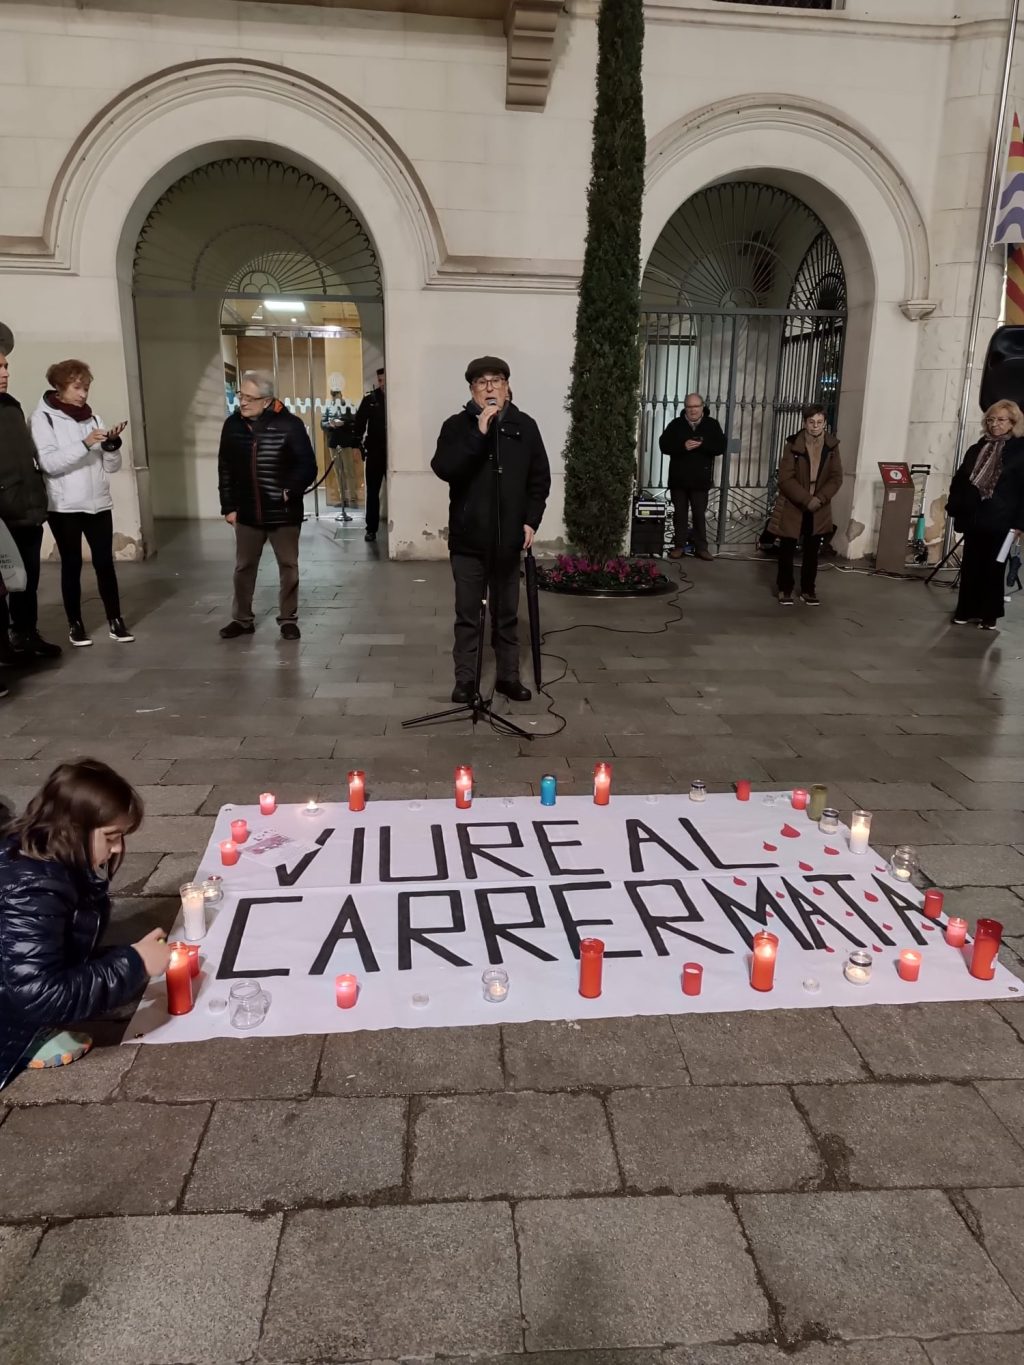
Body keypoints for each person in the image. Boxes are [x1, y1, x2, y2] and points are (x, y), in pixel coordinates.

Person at [0, 758, 171, 1090]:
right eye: (111, 837)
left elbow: (50, 948)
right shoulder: (34, 889)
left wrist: (123, 960)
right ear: (73, 829)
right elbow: (38, 994)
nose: (118, 847)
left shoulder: (54, 858)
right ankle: (30, 1041)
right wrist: (134, 963)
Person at [431, 356, 551, 703]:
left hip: (507, 540)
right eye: (481, 382)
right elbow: (445, 467)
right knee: (468, 615)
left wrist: (530, 520)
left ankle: (508, 677)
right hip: (468, 540)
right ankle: (465, 681)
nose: (489, 387)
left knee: (507, 614)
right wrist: (479, 434)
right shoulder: (457, 426)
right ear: (472, 390)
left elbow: (539, 479)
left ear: (507, 387)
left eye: (496, 380)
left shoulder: (524, 426)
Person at [30, 359, 133, 645]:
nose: (83, 394)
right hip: (64, 507)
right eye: (77, 388)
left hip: (98, 502)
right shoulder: (42, 419)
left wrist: (111, 446)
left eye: (86, 388)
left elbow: (111, 467)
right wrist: (85, 444)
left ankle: (116, 620)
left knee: (105, 563)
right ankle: (75, 624)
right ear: (59, 387)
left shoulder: (93, 418)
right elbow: (49, 463)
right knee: (72, 564)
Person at [217, 370, 317, 642]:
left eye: (250, 398)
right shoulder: (232, 426)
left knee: (288, 566)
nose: (243, 402)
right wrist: (229, 507)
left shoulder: (290, 425)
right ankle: (242, 620)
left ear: (267, 400)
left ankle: (288, 620)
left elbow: (307, 466)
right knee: (243, 568)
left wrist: (287, 492)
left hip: (283, 513)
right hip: (246, 512)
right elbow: (225, 468)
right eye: (241, 395)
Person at [0, 333, 61, 662]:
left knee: (27, 580)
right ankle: (3, 647)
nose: (5, 373)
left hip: (27, 509)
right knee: (2, 586)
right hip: (2, 516)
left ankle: (25, 633)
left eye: (6, 366)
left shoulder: (12, 406)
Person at [946, 400, 1024, 631]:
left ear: (1013, 422)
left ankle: (989, 614)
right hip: (975, 516)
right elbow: (960, 479)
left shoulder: (1020, 451)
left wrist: (1020, 524)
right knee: (971, 566)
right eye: (990, 420)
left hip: (1002, 518)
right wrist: (956, 505)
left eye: (1000, 420)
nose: (994, 424)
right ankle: (966, 609)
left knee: (994, 568)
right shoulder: (977, 447)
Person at [769, 404, 843, 606]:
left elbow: (836, 477)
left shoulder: (832, 447)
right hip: (794, 503)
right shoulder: (793, 445)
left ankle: (808, 589)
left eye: (819, 422)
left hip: (819, 506)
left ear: (825, 423)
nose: (815, 426)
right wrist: (806, 499)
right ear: (805, 423)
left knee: (812, 550)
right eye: (811, 422)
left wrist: (820, 498)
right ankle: (785, 588)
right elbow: (785, 478)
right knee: (787, 548)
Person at [658, 393, 726, 561]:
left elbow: (720, 447)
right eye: (689, 407)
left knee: (699, 514)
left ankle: (701, 548)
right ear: (685, 408)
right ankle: (679, 546)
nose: (693, 410)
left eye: (696, 406)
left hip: (700, 479)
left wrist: (702, 445)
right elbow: (664, 445)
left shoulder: (712, 424)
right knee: (680, 514)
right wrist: (683, 446)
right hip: (679, 479)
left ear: (702, 407)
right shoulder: (676, 424)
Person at [352, 367, 387, 542]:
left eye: (385, 380)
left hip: (394, 452)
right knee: (373, 492)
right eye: (380, 381)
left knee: (400, 490)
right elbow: (359, 423)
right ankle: (371, 529)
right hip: (375, 451)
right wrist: (356, 446)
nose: (382, 384)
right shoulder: (370, 399)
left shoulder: (398, 398)